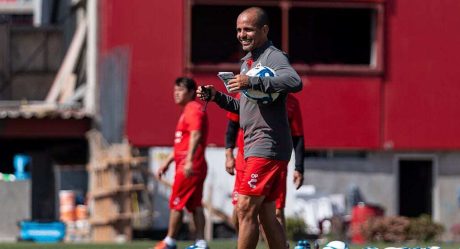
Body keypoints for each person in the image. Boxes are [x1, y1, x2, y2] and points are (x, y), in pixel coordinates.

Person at [197, 7, 302, 249]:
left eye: (248, 29)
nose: (241, 35)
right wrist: (216, 96)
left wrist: (252, 81)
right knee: (266, 213)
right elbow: (243, 106)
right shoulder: (248, 61)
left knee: (244, 208)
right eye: (239, 30)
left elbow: (295, 81)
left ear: (264, 30)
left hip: (267, 144)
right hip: (255, 145)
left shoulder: (273, 56)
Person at [225, 94, 305, 246]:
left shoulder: (290, 100)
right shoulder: (244, 93)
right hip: (244, 159)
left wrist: (299, 167)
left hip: (269, 158)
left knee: (273, 211)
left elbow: (298, 136)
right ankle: (244, 241)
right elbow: (232, 124)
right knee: (241, 210)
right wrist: (229, 153)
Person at [153, 77, 209, 249]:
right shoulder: (187, 110)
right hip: (190, 162)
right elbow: (182, 143)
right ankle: (201, 242)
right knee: (195, 204)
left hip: (189, 164)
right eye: (175, 90)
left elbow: (196, 135)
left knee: (176, 202)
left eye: (181, 90)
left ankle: (169, 241)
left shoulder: (193, 109)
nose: (176, 93)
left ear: (192, 92)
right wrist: (168, 162)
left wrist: (190, 161)